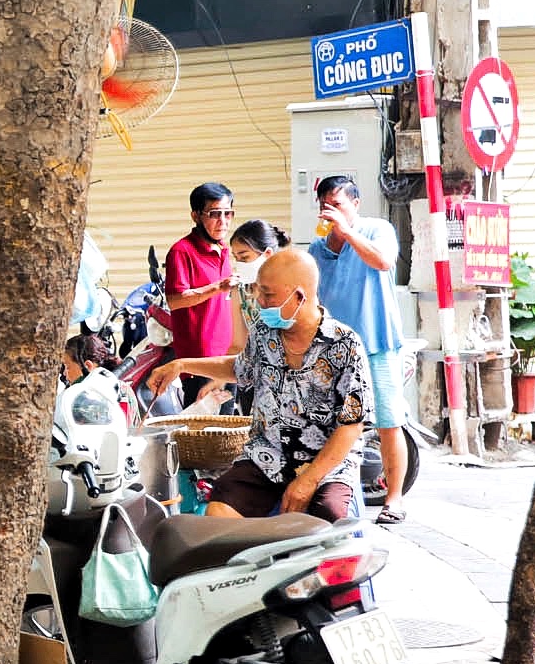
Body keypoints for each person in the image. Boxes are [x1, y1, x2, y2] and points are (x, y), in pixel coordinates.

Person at [149, 249, 371, 522]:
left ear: (299, 297)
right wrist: (181, 365)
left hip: (327, 464)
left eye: (267, 295)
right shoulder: (264, 334)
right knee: (219, 510)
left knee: (329, 519)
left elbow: (351, 424)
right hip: (268, 455)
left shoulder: (345, 345)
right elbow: (240, 368)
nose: (259, 301)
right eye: (257, 292)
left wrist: (308, 481)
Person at [311, 175, 408, 522]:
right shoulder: (318, 248)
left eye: (336, 205)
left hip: (377, 342)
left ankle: (393, 499)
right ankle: (330, 494)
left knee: (388, 422)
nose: (329, 212)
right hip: (333, 350)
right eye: (325, 206)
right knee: (328, 424)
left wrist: (348, 233)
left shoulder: (376, 230)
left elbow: (383, 262)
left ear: (355, 204)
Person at [164, 182, 238, 404]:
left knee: (226, 429)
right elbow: (175, 301)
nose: (223, 221)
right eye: (215, 214)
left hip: (228, 358)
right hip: (200, 362)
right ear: (195, 216)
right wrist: (217, 287)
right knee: (203, 432)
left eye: (228, 213)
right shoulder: (181, 251)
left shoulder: (224, 249)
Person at [228, 219, 291, 349]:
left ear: (267, 254)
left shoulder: (291, 288)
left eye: (244, 257)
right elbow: (238, 345)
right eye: (236, 258)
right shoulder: (240, 291)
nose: (239, 264)